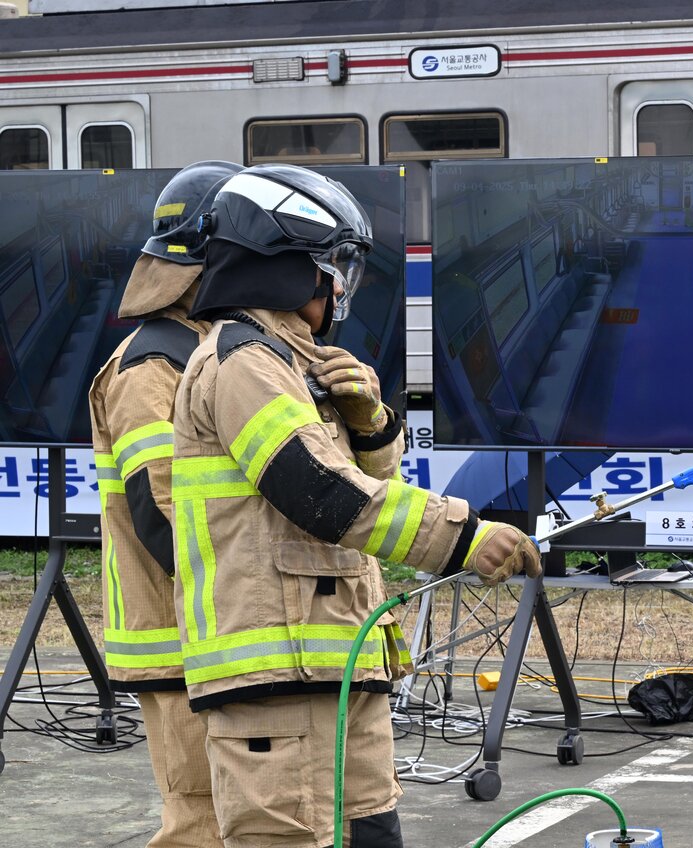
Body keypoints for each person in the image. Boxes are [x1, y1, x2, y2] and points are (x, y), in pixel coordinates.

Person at [171, 163, 540, 848]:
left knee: (373, 833)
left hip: (331, 673)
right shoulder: (241, 363)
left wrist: (370, 424)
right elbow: (320, 495)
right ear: (287, 267)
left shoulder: (289, 362)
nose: (341, 286)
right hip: (277, 686)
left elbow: (357, 480)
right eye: (333, 266)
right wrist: (462, 538)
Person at [87, 159, 242, 848]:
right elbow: (162, 515)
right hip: (180, 640)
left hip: (215, 634)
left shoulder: (206, 353)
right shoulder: (151, 368)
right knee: (201, 822)